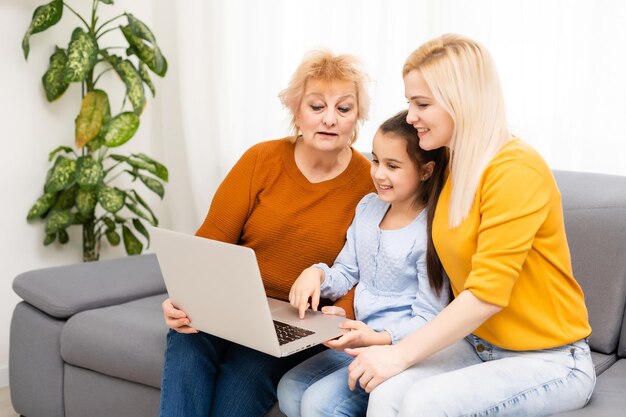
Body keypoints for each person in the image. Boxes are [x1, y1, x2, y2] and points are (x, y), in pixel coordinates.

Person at [344, 34, 596, 417]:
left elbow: (487, 294)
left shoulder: (515, 169)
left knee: (421, 405)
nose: (411, 117)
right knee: (386, 395)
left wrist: (398, 354)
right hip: (479, 345)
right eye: (409, 102)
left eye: (422, 104)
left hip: (551, 358)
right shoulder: (451, 164)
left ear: (461, 101)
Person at [158, 50, 376, 417]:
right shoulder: (261, 160)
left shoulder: (370, 183)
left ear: (358, 116)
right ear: (296, 110)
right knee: (187, 342)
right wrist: (180, 300)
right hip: (230, 306)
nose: (329, 119)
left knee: (239, 386)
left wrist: (344, 310)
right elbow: (209, 242)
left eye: (343, 108)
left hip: (300, 322)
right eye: (317, 105)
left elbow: (369, 266)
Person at [276, 110, 450, 417]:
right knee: (289, 388)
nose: (379, 174)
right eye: (376, 161)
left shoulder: (431, 231)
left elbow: (430, 319)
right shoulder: (369, 207)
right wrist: (316, 273)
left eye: (392, 166)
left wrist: (375, 338)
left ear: (425, 171)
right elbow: (347, 270)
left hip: (399, 348)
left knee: (319, 404)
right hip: (359, 337)